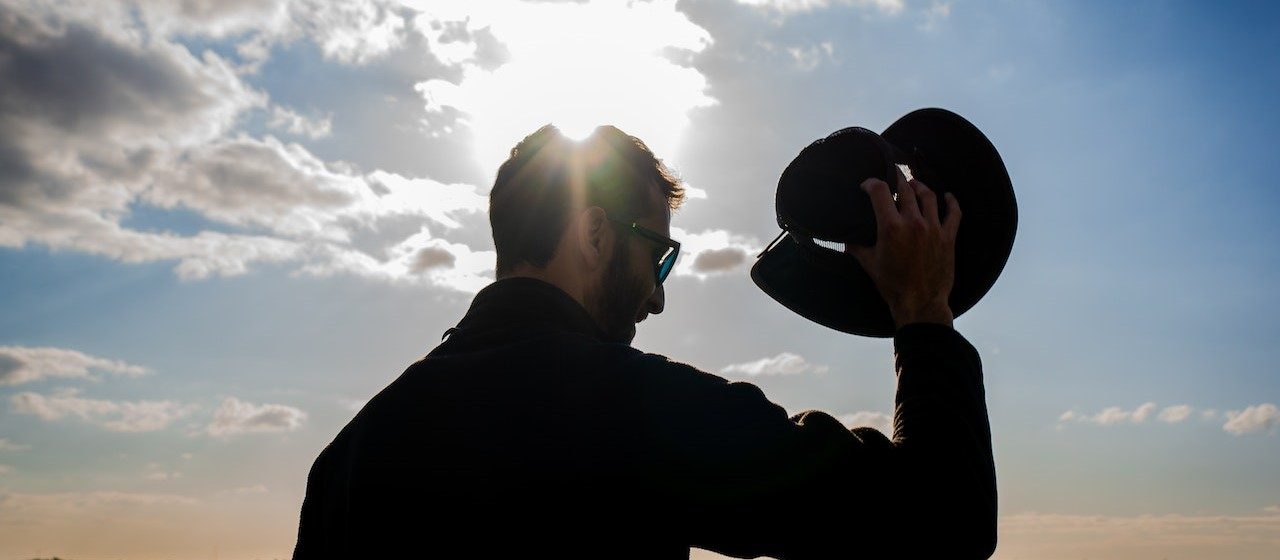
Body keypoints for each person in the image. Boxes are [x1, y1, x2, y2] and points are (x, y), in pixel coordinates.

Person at [291, 124, 996, 559]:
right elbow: (941, 526)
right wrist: (922, 306)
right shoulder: (633, 411)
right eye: (658, 257)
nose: (658, 297)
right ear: (595, 234)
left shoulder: (346, 462)